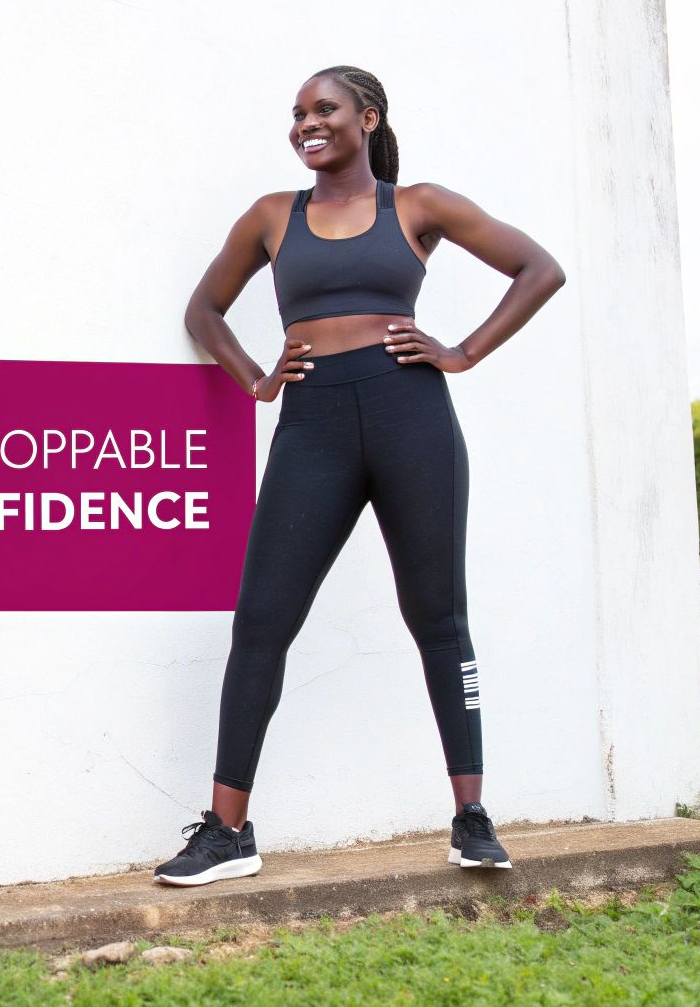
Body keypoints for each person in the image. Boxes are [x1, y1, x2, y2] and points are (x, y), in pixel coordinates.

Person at [157, 66, 567, 885]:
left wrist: (461, 352)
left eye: (324, 110)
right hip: (313, 427)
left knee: (438, 616)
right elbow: (205, 309)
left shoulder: (418, 206)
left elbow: (539, 269)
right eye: (298, 114)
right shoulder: (273, 217)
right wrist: (256, 378)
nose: (306, 123)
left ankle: (471, 818)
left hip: (409, 414)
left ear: (365, 118)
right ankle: (227, 832)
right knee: (262, 620)